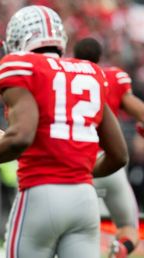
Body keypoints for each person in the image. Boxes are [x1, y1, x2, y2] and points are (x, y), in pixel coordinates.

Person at [0, 5, 128, 258]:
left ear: (17, 38)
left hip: (40, 193)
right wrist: (78, 171)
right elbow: (119, 155)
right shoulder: (90, 72)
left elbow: (21, 137)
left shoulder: (21, 66)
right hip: (84, 199)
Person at [73, 37, 142, 258]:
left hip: (75, 165)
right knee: (129, 228)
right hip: (108, 164)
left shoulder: (60, 76)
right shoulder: (112, 77)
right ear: (100, 57)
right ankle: (119, 249)